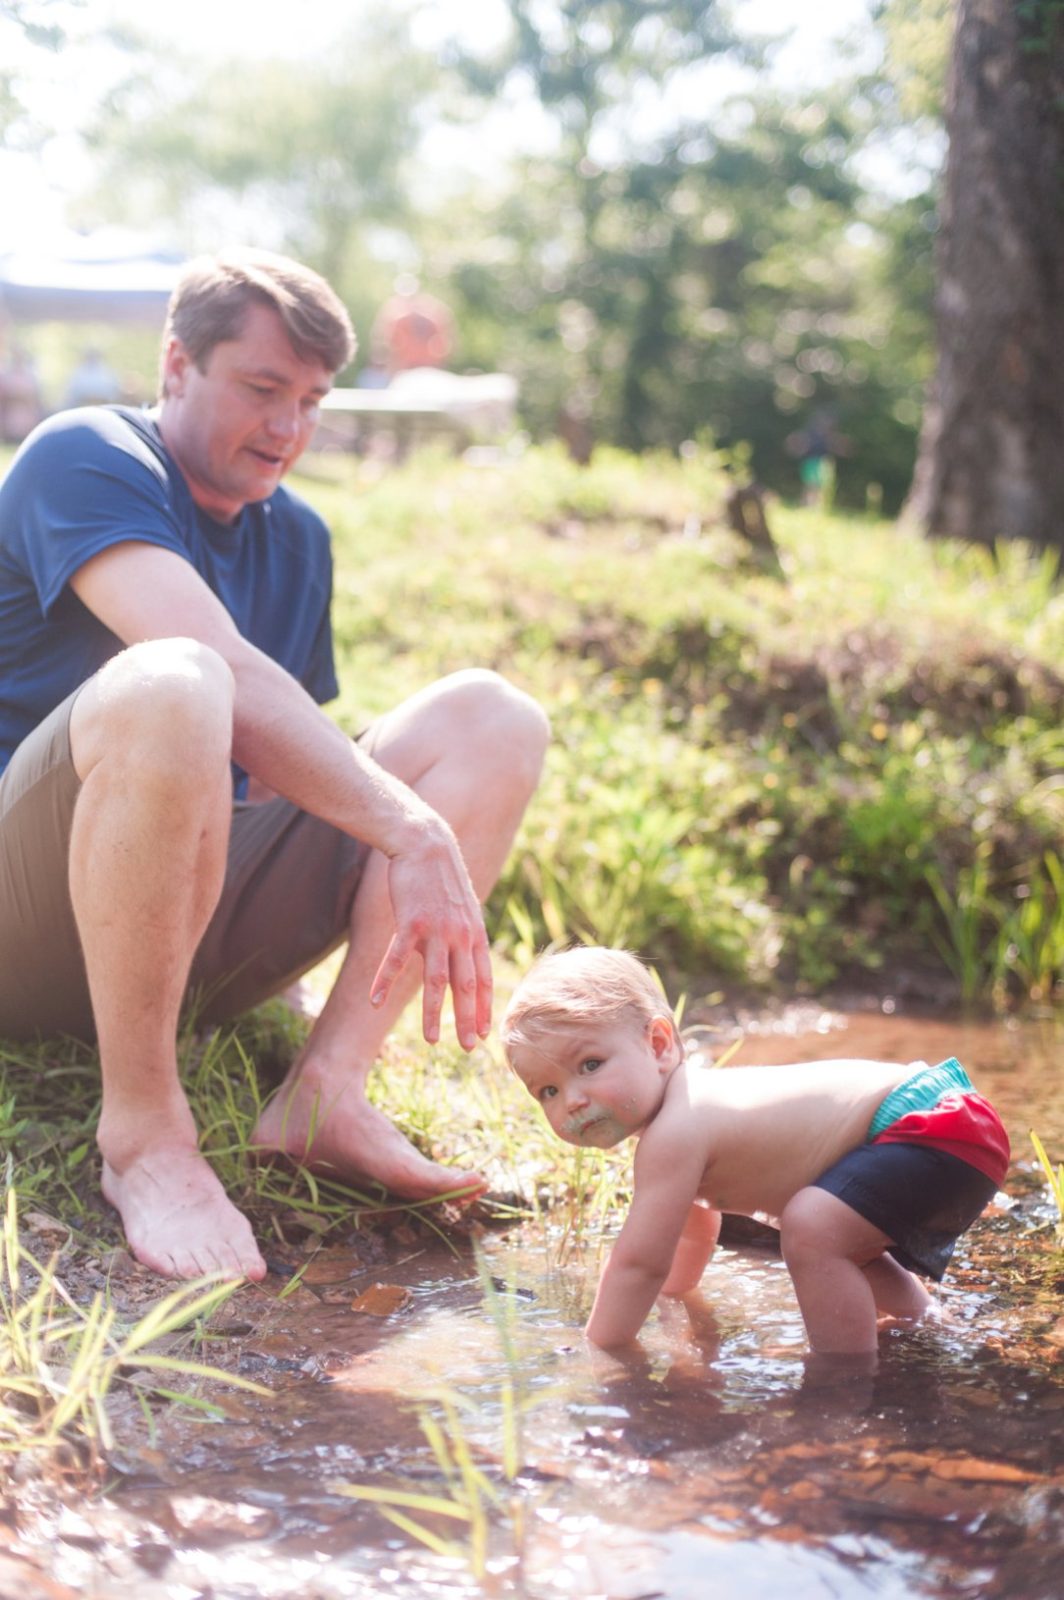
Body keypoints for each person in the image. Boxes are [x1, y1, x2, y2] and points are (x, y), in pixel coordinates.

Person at [0, 248, 549, 1284]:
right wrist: (410, 829)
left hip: (171, 937)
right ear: (175, 365)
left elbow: (260, 777)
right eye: (261, 389)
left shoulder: (296, 538)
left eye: (310, 399)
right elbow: (225, 691)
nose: (289, 429)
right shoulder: (82, 454)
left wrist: (289, 977)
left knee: (493, 716)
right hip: (19, 922)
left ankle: (323, 1097)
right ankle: (146, 1137)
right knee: (175, 678)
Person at [500, 947, 1010, 1358]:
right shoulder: (687, 1120)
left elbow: (638, 1264)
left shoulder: (677, 1129)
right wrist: (677, 1302)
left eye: (589, 1064)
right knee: (831, 1237)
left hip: (929, 1124)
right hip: (944, 1119)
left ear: (658, 1045)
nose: (573, 1100)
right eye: (547, 1091)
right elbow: (692, 1229)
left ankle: (846, 1381)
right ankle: (926, 1325)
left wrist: (600, 1350)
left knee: (812, 1230)